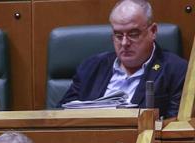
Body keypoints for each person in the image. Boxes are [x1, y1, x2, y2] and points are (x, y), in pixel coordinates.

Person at [59, 0, 187, 118]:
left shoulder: (176, 70)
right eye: (118, 35)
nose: (125, 43)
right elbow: (60, 116)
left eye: (133, 34)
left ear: (153, 31)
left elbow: (173, 126)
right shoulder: (91, 67)